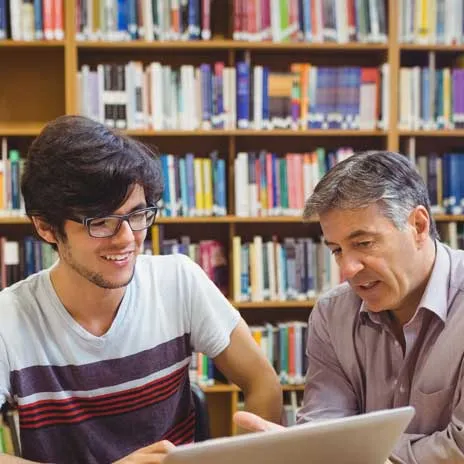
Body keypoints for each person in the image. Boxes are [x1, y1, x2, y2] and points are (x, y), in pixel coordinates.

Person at [0, 115, 282, 464]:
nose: (126, 239)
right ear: (45, 227)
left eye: (137, 215)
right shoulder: (8, 318)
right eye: (100, 222)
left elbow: (262, 383)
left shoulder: (178, 280)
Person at [234, 150, 464, 464]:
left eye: (363, 243)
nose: (349, 268)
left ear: (419, 226)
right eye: (337, 250)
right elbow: (325, 431)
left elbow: (460, 448)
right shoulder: (332, 315)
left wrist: (355, 453)